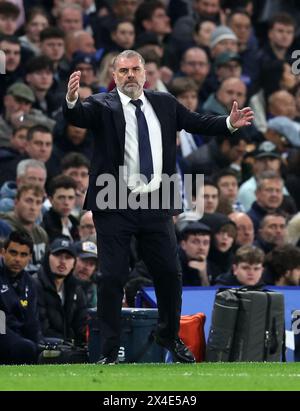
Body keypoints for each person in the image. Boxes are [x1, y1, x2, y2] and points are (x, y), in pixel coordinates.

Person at [63, 49, 253, 364]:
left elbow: (197, 122)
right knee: (111, 276)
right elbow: (78, 116)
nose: (129, 76)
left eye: (135, 70)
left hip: (156, 200)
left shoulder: (164, 103)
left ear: (145, 74)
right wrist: (71, 101)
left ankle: (167, 334)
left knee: (168, 272)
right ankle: (109, 350)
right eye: (122, 71)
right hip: (114, 202)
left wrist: (229, 123)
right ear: (114, 77)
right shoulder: (101, 104)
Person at [0, 230, 39, 364]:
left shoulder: (30, 282)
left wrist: (39, 344)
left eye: (23, 255)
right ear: (3, 252)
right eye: (13, 252)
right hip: (2, 331)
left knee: (54, 349)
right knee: (25, 347)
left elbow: (32, 321)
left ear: (29, 257)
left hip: (19, 335)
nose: (17, 259)